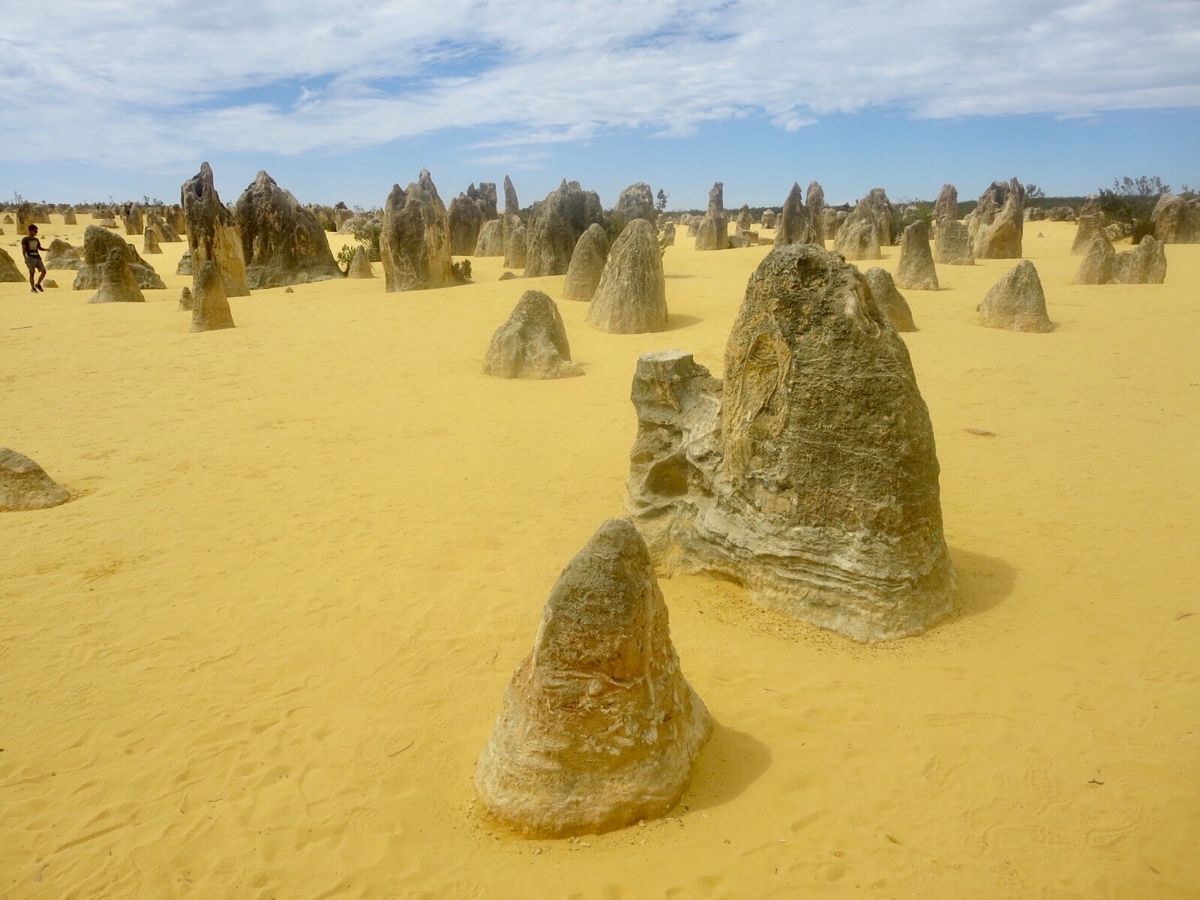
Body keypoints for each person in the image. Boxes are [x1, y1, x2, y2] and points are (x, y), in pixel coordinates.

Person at [21, 224, 47, 293]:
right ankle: (32, 288)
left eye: (36, 231)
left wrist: (47, 249)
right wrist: (25, 258)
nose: (36, 232)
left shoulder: (36, 239)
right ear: (30, 231)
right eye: (35, 231)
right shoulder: (25, 239)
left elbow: (39, 248)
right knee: (32, 273)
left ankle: (38, 284)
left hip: (37, 257)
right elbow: (23, 250)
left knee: (44, 271)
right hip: (30, 258)